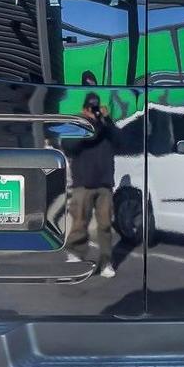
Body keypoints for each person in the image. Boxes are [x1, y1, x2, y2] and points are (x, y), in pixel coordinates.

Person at [63, 92, 118, 278]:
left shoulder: (106, 125)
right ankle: (75, 253)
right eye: (90, 108)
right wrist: (88, 124)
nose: (93, 111)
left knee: (105, 226)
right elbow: (68, 146)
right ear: (84, 109)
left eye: (95, 108)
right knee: (79, 222)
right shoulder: (77, 123)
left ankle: (105, 263)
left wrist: (107, 120)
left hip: (104, 183)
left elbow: (121, 141)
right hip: (83, 183)